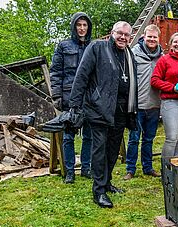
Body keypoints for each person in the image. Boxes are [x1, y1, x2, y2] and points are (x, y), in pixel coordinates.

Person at [69, 21, 138, 208]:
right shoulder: (97, 48)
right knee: (99, 150)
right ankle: (98, 191)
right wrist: (74, 105)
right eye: (120, 33)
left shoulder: (129, 55)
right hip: (99, 108)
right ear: (112, 33)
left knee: (113, 150)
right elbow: (82, 75)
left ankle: (106, 183)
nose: (123, 37)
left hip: (121, 111)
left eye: (127, 35)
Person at [49, 12, 92, 184]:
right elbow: (55, 72)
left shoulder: (93, 46)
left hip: (88, 97)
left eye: (85, 25)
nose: (82, 28)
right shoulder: (63, 46)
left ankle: (86, 168)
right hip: (69, 96)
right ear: (74, 27)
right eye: (79, 25)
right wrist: (57, 95)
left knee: (88, 135)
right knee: (68, 136)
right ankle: (69, 171)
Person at [124, 25, 163, 180]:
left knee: (149, 139)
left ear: (158, 39)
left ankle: (148, 167)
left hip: (154, 104)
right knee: (134, 138)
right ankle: (130, 169)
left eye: (155, 37)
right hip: (137, 104)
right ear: (143, 37)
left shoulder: (163, 56)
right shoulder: (134, 53)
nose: (152, 40)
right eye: (149, 37)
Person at [151, 33, 178, 157]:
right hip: (171, 102)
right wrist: (172, 88)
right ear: (170, 44)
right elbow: (154, 80)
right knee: (172, 137)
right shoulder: (164, 60)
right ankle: (167, 169)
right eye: (175, 42)